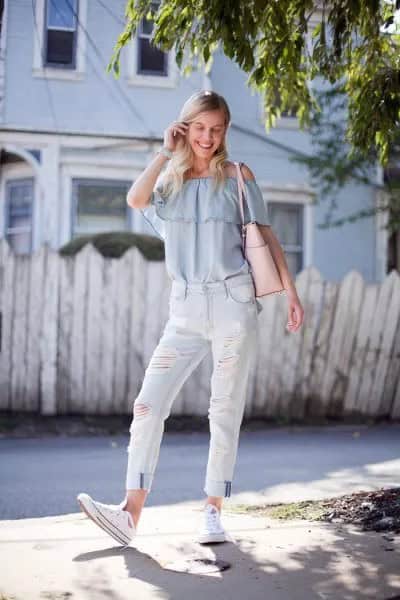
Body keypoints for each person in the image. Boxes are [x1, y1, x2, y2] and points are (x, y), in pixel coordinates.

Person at [77, 90, 304, 548]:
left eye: (216, 129)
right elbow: (135, 198)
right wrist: (165, 151)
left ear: (225, 132)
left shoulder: (239, 177)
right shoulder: (170, 184)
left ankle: (213, 512)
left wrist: (291, 293)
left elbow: (267, 237)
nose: (208, 136)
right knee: (147, 405)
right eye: (199, 127)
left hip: (233, 306)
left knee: (223, 411)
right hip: (183, 311)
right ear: (185, 127)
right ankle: (129, 513)